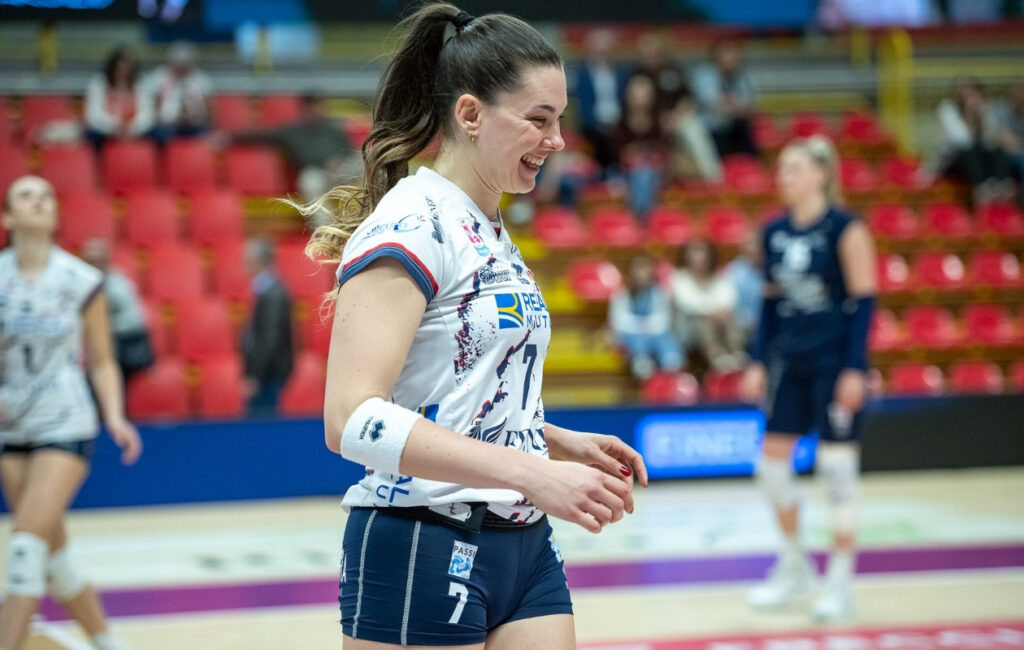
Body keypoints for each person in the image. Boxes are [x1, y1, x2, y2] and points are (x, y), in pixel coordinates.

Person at [300, 4, 647, 648]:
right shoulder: (412, 224)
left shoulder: (488, 227)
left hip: (523, 542)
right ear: (469, 114)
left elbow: (448, 390)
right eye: (538, 119)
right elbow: (350, 420)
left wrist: (550, 441)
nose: (557, 140)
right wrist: (532, 472)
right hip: (423, 537)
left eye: (560, 120)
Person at [0, 176, 142, 650]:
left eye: (47, 195)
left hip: (65, 421)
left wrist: (115, 416)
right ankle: (108, 644)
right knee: (54, 560)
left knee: (25, 545)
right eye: (26, 195)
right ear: (8, 217)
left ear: (57, 215)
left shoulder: (80, 280)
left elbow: (102, 360)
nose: (39, 200)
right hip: (10, 427)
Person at [740, 135, 877, 622]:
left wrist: (856, 368)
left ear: (821, 174)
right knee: (771, 471)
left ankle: (841, 584)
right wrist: (758, 360)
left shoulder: (846, 228)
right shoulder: (774, 232)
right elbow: (770, 305)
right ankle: (795, 566)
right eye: (781, 169)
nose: (784, 178)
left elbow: (864, 303)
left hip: (834, 365)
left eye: (794, 169)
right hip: (790, 365)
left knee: (838, 475)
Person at [231, 93, 357, 206]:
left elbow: (349, 150)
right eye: (312, 106)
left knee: (364, 159)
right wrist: (230, 136)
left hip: (343, 170)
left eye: (319, 106)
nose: (317, 110)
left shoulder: (333, 129)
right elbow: (262, 135)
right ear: (304, 109)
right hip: (317, 173)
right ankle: (325, 225)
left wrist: (339, 162)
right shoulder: (292, 132)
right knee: (309, 181)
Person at [929, 78, 1015, 205]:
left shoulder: (984, 109)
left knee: (997, 151)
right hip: (953, 161)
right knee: (971, 151)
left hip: (980, 159)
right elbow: (961, 141)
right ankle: (983, 186)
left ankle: (1000, 184)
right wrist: (970, 118)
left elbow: (990, 141)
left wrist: (982, 117)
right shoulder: (948, 110)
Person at [81, 238, 154, 383]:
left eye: (97, 260)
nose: (93, 264)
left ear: (107, 259)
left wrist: (102, 326)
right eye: (90, 260)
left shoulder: (117, 284)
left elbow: (135, 319)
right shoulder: (81, 282)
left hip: (121, 348)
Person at [672, 238, 746, 371]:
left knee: (732, 318)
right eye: (695, 252)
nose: (699, 257)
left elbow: (729, 299)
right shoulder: (680, 278)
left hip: (720, 322)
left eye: (703, 252)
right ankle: (718, 357)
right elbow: (688, 304)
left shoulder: (719, 278)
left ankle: (737, 353)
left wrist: (721, 311)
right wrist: (712, 311)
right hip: (689, 328)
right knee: (704, 322)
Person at [240, 237, 294, 419]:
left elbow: (270, 339)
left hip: (268, 375)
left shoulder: (273, 294)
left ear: (259, 262)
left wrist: (256, 375)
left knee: (261, 423)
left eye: (247, 262)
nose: (244, 267)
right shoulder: (266, 291)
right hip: (267, 373)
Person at [609, 256, 683, 380]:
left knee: (667, 341)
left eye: (646, 269)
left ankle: (671, 364)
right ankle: (642, 363)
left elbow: (663, 319)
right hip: (632, 334)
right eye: (639, 270)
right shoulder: (621, 293)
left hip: (656, 333)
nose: (642, 274)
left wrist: (647, 328)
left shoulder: (660, 292)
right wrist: (641, 328)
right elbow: (619, 321)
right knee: (636, 341)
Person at [611, 74, 667, 220]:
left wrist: (643, 156)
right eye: (636, 95)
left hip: (655, 173)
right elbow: (617, 156)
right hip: (623, 174)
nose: (640, 100)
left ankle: (640, 218)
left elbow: (663, 153)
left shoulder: (658, 124)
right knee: (641, 176)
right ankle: (643, 219)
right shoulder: (620, 125)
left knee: (645, 175)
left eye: (644, 95)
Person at [573, 28, 628, 174]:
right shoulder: (582, 75)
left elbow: (625, 100)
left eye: (606, 51)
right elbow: (583, 104)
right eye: (598, 52)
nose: (602, 56)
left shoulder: (622, 73)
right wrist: (598, 124)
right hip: (592, 128)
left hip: (619, 126)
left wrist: (619, 123)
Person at [692, 39, 758, 158]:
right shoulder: (704, 74)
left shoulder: (740, 75)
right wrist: (736, 104)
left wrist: (729, 103)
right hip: (711, 130)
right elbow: (714, 103)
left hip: (737, 126)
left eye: (735, 54)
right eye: (729, 54)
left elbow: (750, 106)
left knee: (750, 150)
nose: (734, 58)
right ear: (717, 56)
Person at [84, 47, 155, 150]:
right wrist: (115, 127)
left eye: (127, 69)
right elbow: (94, 116)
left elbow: (147, 115)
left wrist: (131, 128)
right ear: (112, 68)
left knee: (157, 136)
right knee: (91, 136)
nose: (123, 73)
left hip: (135, 130)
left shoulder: (142, 84)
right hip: (105, 131)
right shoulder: (98, 83)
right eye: (119, 69)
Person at [146, 41, 213, 144]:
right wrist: (172, 119)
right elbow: (153, 110)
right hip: (166, 126)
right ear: (171, 62)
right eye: (178, 64)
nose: (181, 68)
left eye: (185, 65)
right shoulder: (158, 78)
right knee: (159, 136)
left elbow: (209, 112)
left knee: (207, 136)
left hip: (194, 126)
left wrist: (193, 117)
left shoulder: (202, 80)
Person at [724, 230, 764, 353]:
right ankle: (738, 358)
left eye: (758, 243)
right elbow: (729, 306)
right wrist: (750, 321)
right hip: (742, 324)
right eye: (750, 243)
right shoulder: (733, 272)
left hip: (768, 323)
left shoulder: (774, 270)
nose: (755, 248)